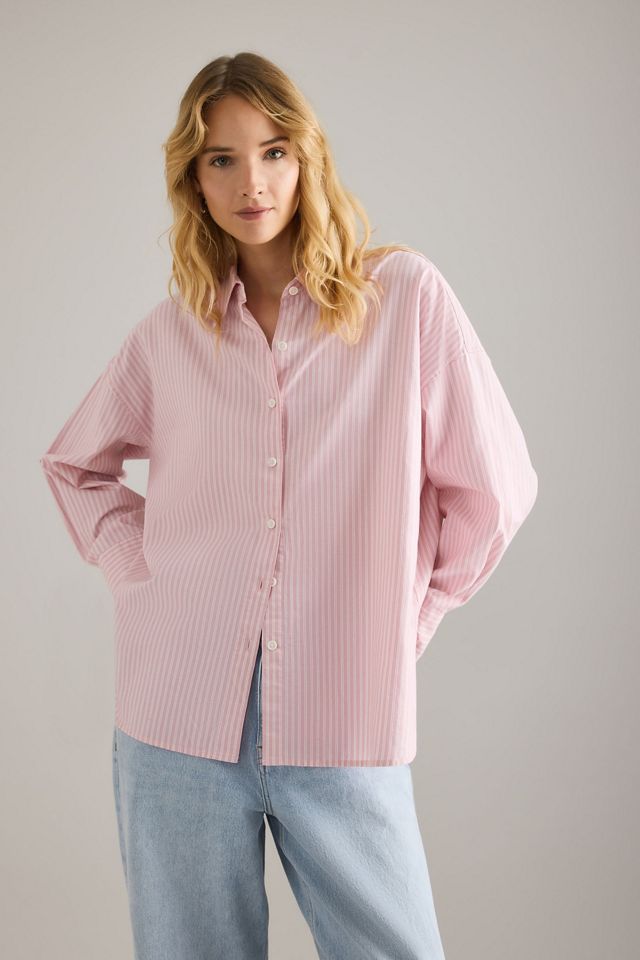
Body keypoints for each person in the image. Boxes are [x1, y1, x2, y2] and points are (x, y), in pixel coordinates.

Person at [39, 51, 538, 960]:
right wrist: (143, 579)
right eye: (221, 159)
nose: (252, 182)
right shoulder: (172, 335)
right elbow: (75, 465)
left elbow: (496, 488)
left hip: (343, 716)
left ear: (307, 156)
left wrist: (410, 617)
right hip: (176, 723)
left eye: (273, 151)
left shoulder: (404, 300)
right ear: (194, 180)